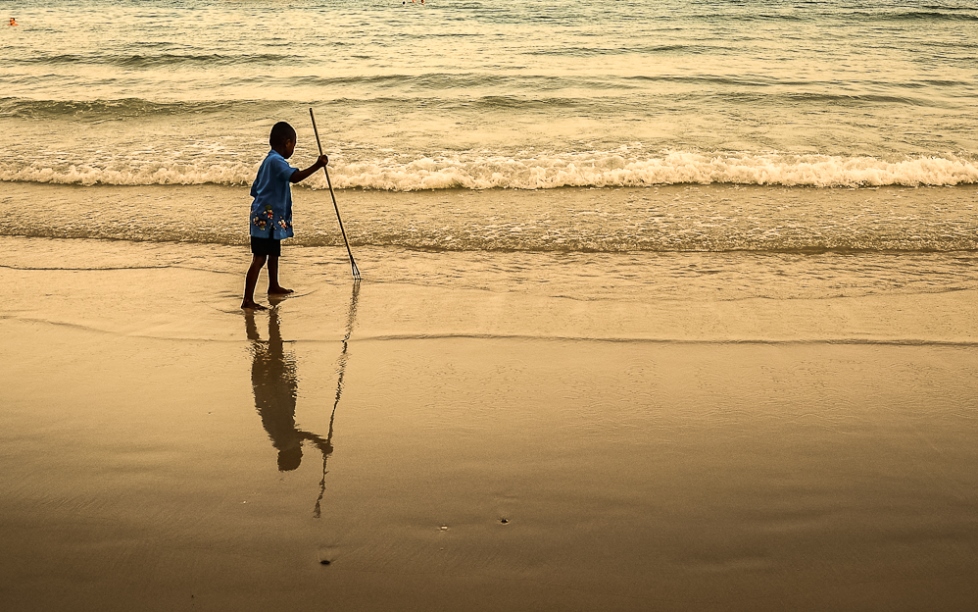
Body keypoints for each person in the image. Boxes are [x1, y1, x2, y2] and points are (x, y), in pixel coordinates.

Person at [241, 121, 328, 310]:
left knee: (274, 253)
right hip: (265, 219)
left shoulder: (269, 161)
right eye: (293, 145)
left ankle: (273, 286)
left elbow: (255, 189)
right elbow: (294, 177)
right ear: (287, 142)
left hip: (268, 218)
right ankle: (247, 300)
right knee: (260, 258)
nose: (293, 149)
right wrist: (317, 165)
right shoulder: (275, 161)